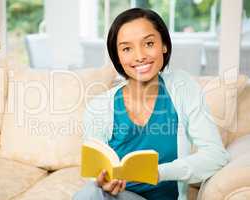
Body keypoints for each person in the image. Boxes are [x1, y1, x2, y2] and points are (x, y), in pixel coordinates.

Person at [73, 8, 229, 200]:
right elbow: (93, 173)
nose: (140, 56)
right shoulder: (98, 107)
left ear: (163, 44)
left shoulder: (182, 87)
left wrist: (158, 172)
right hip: (118, 196)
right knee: (91, 193)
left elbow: (216, 157)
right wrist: (103, 182)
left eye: (148, 43)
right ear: (118, 57)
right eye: (127, 48)